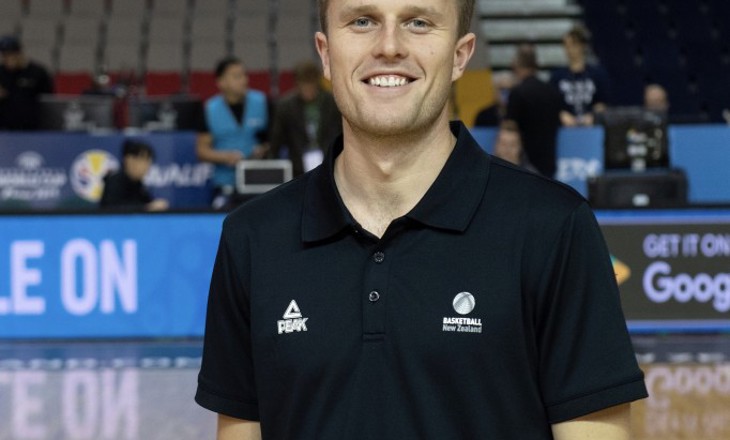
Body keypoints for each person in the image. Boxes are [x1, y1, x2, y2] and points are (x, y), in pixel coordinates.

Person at [196, 1, 647, 439]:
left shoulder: (554, 227)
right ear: (326, 53)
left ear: (460, 55)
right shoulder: (252, 238)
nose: (389, 45)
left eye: (418, 22)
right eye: (362, 20)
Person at [196, 57, 269, 207]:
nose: (244, 80)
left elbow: (273, 138)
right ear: (221, 82)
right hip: (225, 183)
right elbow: (202, 151)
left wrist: (263, 149)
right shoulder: (210, 109)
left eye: (244, 75)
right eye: (237, 76)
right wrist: (225, 157)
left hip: (258, 182)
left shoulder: (262, 102)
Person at [270, 60, 342, 177]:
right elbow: (277, 138)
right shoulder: (286, 106)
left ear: (317, 84)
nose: (307, 90)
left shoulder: (333, 102)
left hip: (329, 161)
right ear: (297, 84)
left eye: (311, 85)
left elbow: (341, 132)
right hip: (297, 164)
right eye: (303, 85)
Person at [504, 43, 562, 177]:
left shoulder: (518, 93)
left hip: (525, 165)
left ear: (516, 64)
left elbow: (509, 128)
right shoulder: (551, 91)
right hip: (549, 164)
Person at [550, 25, 611, 126]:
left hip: (591, 126)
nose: (568, 49)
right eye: (566, 45)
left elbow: (603, 102)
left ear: (581, 46)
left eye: (572, 45)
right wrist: (561, 114)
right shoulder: (557, 76)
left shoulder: (597, 74)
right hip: (566, 127)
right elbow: (552, 103)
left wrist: (593, 115)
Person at [0, 35, 54, 130]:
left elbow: (49, 100)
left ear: (19, 53)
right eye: (5, 55)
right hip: (5, 127)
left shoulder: (37, 72)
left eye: (11, 54)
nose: (8, 59)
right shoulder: (1, 72)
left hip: (31, 127)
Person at [100, 140, 169, 211]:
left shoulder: (139, 185)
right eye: (143, 160)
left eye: (149, 162)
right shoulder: (115, 181)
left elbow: (147, 202)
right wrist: (146, 208)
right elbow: (111, 208)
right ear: (129, 160)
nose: (147, 166)